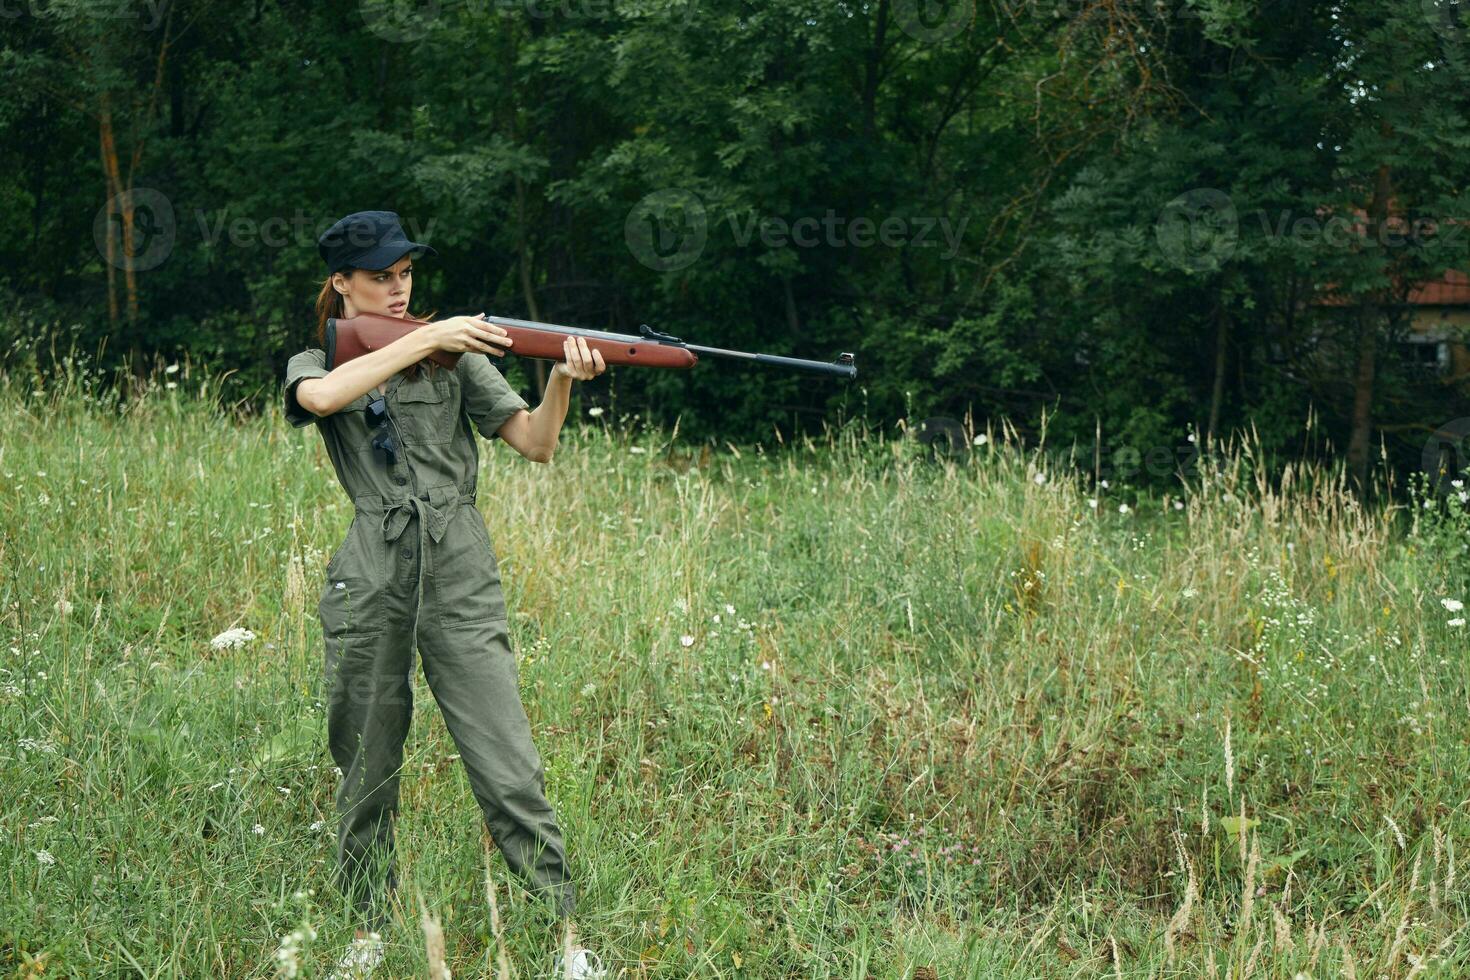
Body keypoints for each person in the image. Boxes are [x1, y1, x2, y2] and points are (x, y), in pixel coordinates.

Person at [281, 210, 609, 979]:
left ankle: (565, 943)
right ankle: (366, 934)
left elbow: (536, 442)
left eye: (406, 276)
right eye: (380, 278)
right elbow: (323, 399)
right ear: (341, 283)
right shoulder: (323, 356)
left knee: (507, 761)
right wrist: (427, 337)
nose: (399, 291)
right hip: (374, 566)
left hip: (459, 565)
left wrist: (561, 375)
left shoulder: (454, 354)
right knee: (366, 763)